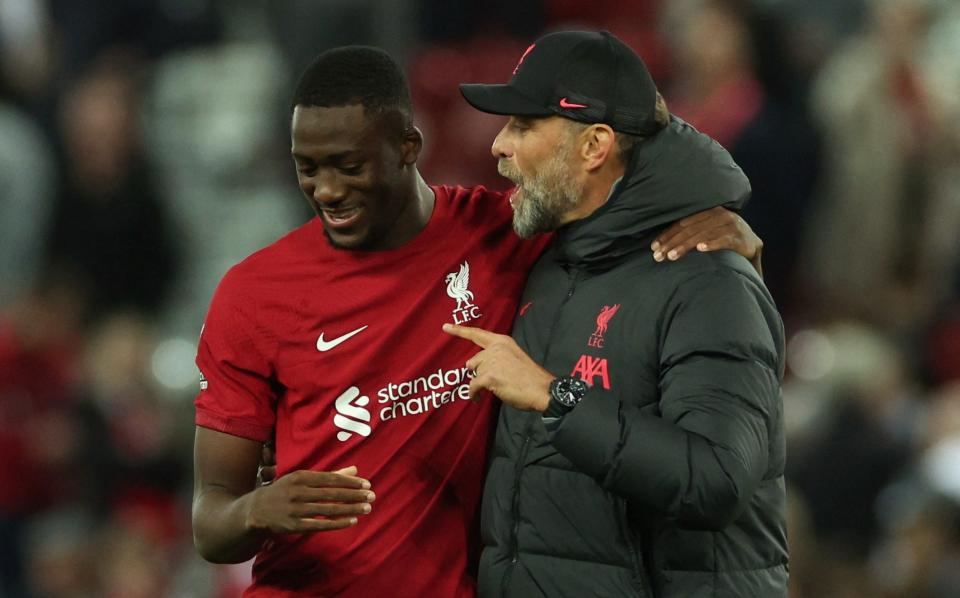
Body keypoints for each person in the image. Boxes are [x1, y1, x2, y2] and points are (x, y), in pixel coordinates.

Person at [191, 46, 764, 597]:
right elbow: (210, 521)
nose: (327, 190)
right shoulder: (253, 296)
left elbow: (619, 174)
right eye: (307, 168)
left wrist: (719, 215)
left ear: (409, 146)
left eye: (348, 166)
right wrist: (254, 510)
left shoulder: (500, 236)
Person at [448, 30, 787, 597]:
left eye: (524, 126)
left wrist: (556, 398)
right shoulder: (549, 261)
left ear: (594, 146)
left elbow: (717, 480)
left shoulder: (710, 279)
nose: (498, 146)